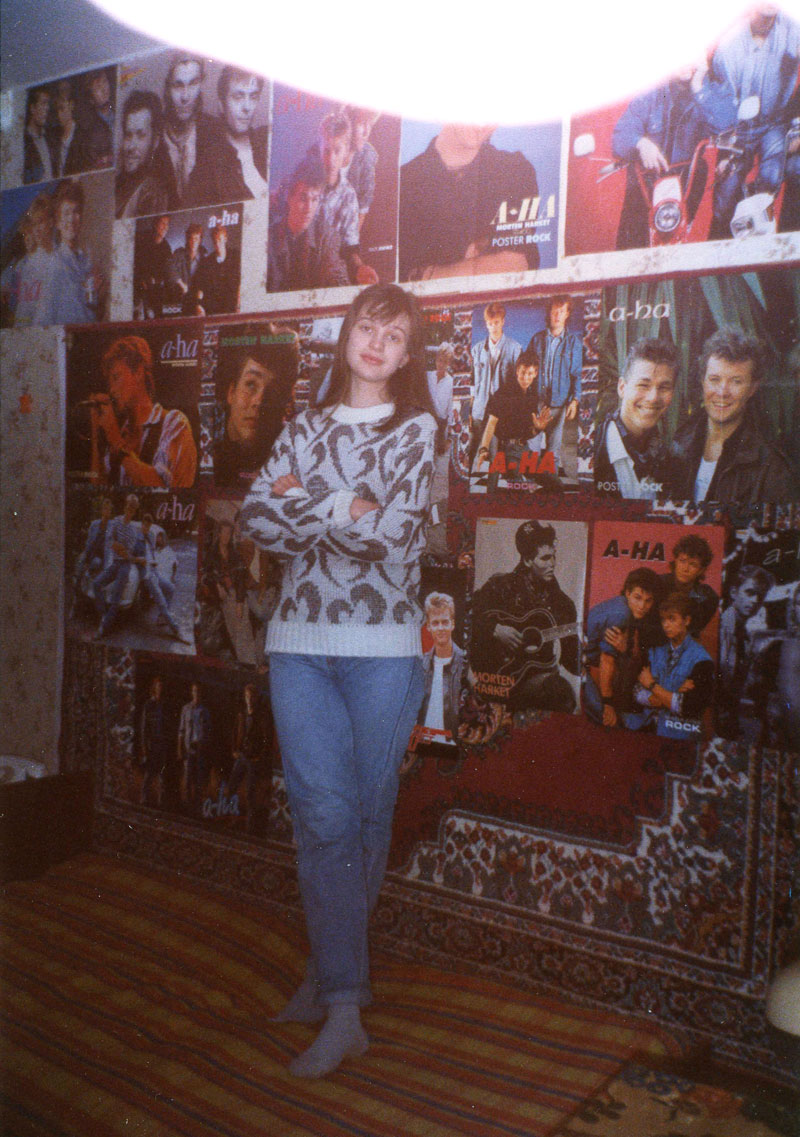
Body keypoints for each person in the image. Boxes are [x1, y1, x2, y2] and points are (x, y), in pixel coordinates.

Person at [238, 283, 436, 1077]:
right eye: (368, 327)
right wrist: (348, 504)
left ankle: (330, 979)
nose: (377, 343)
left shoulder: (417, 429)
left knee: (365, 816)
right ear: (348, 333)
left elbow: (394, 538)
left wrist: (308, 501)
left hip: (385, 650)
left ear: (408, 354)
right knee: (323, 818)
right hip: (298, 645)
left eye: (395, 335)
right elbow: (256, 517)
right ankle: (346, 1000)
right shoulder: (302, 426)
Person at [612, 63, 736, 249]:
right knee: (631, 244)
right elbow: (621, 135)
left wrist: (699, 88)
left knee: (681, 237)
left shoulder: (711, 90)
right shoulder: (651, 91)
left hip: (686, 177)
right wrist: (641, 143)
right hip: (647, 180)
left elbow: (727, 126)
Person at [666, 328, 797, 503]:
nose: (722, 392)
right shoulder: (678, 445)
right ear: (703, 381)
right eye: (714, 379)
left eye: (736, 381)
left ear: (752, 388)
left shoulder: (772, 468)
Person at [399, 124, 539, 281]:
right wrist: (483, 261)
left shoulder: (515, 170)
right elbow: (398, 277)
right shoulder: (402, 182)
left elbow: (515, 265)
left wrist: (426, 274)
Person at [709, 7, 800, 239]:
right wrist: (727, 152)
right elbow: (722, 108)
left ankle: (766, 243)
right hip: (737, 130)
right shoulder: (729, 47)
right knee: (724, 204)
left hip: (774, 124)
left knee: (769, 182)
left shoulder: (793, 27)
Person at [471, 521, 579, 712]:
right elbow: (467, 615)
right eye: (545, 558)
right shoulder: (500, 587)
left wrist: (590, 655)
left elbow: (572, 659)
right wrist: (495, 629)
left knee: (560, 691)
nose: (552, 564)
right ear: (527, 560)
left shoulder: (563, 605)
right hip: (495, 678)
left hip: (537, 682)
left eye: (553, 557)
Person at [87, 334, 197, 489]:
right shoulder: (119, 432)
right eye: (109, 382)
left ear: (138, 372)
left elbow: (165, 488)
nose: (111, 389)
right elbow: (98, 491)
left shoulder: (174, 423)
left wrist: (116, 441)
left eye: (116, 377)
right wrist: (96, 435)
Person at [594, 338, 678, 498]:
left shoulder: (672, 460)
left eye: (664, 387)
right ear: (622, 387)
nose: (653, 398)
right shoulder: (592, 451)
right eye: (643, 385)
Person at [214, 333, 298, 488]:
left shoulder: (290, 450)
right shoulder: (209, 447)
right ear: (231, 392)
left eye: (273, 390)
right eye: (251, 384)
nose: (258, 401)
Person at [627, 592, 714, 739]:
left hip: (678, 734)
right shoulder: (655, 651)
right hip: (647, 727)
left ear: (686, 620)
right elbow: (636, 692)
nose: (666, 625)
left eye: (672, 619)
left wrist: (652, 685)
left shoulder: (702, 659)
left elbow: (688, 707)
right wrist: (673, 694)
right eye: (663, 620)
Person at [307, 111, 378, 288]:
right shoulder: (304, 185)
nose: (331, 159)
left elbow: (350, 245)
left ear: (345, 150)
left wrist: (359, 267)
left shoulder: (349, 196)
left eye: (337, 151)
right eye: (326, 151)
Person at [583, 567, 660, 727]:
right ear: (627, 593)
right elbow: (607, 660)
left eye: (648, 601)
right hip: (578, 663)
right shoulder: (621, 614)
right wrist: (607, 703)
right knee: (607, 719)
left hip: (592, 661)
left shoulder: (626, 609)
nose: (642, 606)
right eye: (637, 598)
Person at [475, 347, 553, 490]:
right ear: (517, 371)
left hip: (523, 449)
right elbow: (491, 423)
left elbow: (528, 433)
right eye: (523, 372)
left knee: (555, 484)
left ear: (535, 374)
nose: (525, 378)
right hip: (504, 450)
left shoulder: (532, 397)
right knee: (516, 486)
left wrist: (538, 428)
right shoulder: (504, 393)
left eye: (530, 373)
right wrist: (483, 448)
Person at [187, 67, 267, 205]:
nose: (247, 107)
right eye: (238, 97)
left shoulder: (268, 140)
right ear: (221, 105)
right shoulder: (207, 167)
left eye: (253, 97)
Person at [152, 55, 222, 209]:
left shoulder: (217, 131)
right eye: (178, 86)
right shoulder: (153, 137)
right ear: (167, 89)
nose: (185, 97)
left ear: (201, 84)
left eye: (193, 84)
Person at [526, 295, 583, 476]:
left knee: (553, 450)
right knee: (531, 446)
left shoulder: (573, 343)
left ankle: (549, 484)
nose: (557, 315)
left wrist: (575, 400)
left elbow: (577, 374)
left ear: (567, 314)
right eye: (554, 311)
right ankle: (529, 484)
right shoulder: (537, 339)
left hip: (559, 404)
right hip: (536, 402)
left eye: (561, 311)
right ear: (549, 313)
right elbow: (526, 368)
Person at [717, 564, 774, 739]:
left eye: (761, 596)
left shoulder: (744, 634)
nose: (755, 600)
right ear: (734, 592)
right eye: (750, 592)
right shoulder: (722, 628)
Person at [39, 179, 103, 325]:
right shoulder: (53, 263)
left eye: (76, 212)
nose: (71, 219)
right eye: (66, 213)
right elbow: (43, 318)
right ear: (57, 222)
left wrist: (98, 293)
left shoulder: (85, 262)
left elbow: (89, 313)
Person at [266, 154, 328, 293]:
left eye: (315, 199)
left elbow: (335, 274)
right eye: (303, 198)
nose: (309, 208)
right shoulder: (268, 239)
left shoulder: (327, 237)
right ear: (289, 197)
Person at [469, 302, 522, 463]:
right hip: (480, 407)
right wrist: (470, 409)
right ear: (486, 324)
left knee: (496, 455)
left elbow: (519, 384)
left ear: (503, 322)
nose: (493, 327)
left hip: (502, 411)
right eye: (490, 323)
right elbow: (473, 381)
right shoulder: (477, 349)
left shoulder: (515, 348)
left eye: (496, 322)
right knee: (473, 451)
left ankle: (494, 477)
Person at [417, 592, 465, 746]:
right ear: (428, 626)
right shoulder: (421, 664)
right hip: (423, 743)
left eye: (445, 622)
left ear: (453, 624)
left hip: (453, 745)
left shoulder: (465, 663)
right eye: (435, 623)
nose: (441, 628)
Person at [91, 493, 141, 638]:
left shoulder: (133, 530)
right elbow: (109, 540)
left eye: (133, 508)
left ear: (135, 510)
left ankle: (103, 629)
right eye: (129, 506)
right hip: (115, 563)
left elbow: (127, 554)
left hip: (125, 566)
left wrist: (118, 546)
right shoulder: (116, 521)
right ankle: (104, 617)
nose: (130, 509)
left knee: (116, 598)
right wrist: (118, 546)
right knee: (96, 584)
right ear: (125, 506)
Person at [227, 683, 274, 834]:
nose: (249, 699)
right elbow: (235, 731)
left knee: (250, 793)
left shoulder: (261, 716)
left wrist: (260, 757)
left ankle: (250, 826)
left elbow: (267, 738)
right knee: (232, 786)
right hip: (241, 756)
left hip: (253, 759)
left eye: (252, 696)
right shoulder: (242, 714)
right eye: (247, 696)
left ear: (256, 698)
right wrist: (234, 750)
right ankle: (232, 819)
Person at [653, 534, 719, 640]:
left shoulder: (708, 597)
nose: (685, 569)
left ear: (701, 570)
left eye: (693, 564)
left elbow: (692, 631)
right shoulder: (657, 583)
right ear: (675, 561)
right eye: (682, 561)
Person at [115, 91, 169, 219]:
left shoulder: (154, 194)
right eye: (128, 135)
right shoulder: (118, 185)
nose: (130, 146)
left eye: (140, 136)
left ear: (155, 141)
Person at [4, 193, 56, 327]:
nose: (36, 229)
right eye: (34, 224)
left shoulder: (59, 259)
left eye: (41, 222)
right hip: (22, 329)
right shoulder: (25, 264)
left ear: (51, 222)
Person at [136, 514, 182, 639]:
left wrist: (153, 562)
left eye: (148, 526)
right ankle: (175, 629)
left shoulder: (151, 537)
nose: (146, 528)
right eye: (145, 525)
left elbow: (151, 553)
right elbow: (133, 556)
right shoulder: (136, 539)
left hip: (153, 571)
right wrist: (140, 560)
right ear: (142, 524)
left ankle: (162, 617)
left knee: (171, 588)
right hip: (146, 575)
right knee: (161, 600)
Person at [342, 106, 380, 228]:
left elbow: (362, 208)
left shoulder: (367, 156)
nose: (366, 132)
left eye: (370, 125)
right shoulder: (324, 149)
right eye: (362, 124)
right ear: (347, 122)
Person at [178, 682, 212, 809]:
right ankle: (186, 804)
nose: (196, 693)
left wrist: (206, 747)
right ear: (192, 693)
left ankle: (196, 805)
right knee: (187, 776)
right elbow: (181, 730)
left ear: (201, 694)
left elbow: (209, 731)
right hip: (188, 747)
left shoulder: (205, 711)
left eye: (198, 691)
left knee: (198, 777)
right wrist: (179, 749)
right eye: (194, 691)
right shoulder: (186, 709)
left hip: (200, 748)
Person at [192, 225, 238, 315]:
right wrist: (198, 305)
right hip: (213, 309)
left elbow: (241, 282)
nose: (217, 244)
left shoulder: (235, 257)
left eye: (220, 240)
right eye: (215, 241)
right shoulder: (207, 262)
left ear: (225, 239)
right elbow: (200, 287)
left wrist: (239, 304)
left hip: (232, 307)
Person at [134, 214, 172, 319]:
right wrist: (141, 279)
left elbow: (166, 273)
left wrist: (153, 281)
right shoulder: (141, 239)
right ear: (155, 224)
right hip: (137, 285)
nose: (165, 227)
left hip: (153, 289)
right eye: (162, 223)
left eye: (167, 224)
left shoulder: (166, 248)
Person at [139, 675, 167, 806]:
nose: (160, 689)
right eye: (158, 686)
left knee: (162, 773)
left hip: (161, 743)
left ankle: (161, 801)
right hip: (151, 744)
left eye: (162, 687)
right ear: (154, 688)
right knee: (149, 772)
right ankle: (144, 798)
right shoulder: (149, 705)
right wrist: (144, 746)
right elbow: (144, 727)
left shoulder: (164, 705)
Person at [73, 496, 113, 588]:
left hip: (101, 555)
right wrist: (86, 552)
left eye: (109, 509)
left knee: (96, 562)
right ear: (102, 510)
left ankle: (88, 574)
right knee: (80, 559)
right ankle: (77, 582)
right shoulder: (94, 524)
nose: (107, 511)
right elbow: (89, 540)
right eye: (105, 509)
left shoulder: (112, 526)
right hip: (90, 551)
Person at [52, 80, 89, 177]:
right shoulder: (55, 139)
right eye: (57, 110)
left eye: (62, 108)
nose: (59, 115)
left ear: (71, 105)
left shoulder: (83, 136)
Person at [81, 68, 114, 170]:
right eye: (97, 87)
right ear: (91, 99)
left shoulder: (120, 111)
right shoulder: (89, 131)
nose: (104, 89)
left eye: (104, 81)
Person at [168, 222, 205, 313]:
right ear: (187, 239)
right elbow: (169, 268)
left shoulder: (204, 258)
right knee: (170, 310)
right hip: (179, 298)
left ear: (200, 240)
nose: (193, 242)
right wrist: (181, 284)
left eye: (196, 239)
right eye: (191, 238)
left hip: (196, 299)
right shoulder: (179, 253)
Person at [24, 87, 54, 184]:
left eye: (48, 104)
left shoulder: (50, 138)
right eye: (43, 103)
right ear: (32, 108)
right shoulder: (23, 142)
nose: (47, 108)